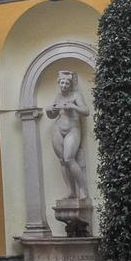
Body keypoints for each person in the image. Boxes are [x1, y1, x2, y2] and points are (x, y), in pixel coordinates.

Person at [46, 70, 90, 199]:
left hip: (73, 129)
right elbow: (52, 115)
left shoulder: (76, 95)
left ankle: (83, 188)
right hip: (58, 129)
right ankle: (70, 190)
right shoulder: (58, 96)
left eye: (66, 83)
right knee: (62, 161)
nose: (64, 85)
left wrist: (73, 106)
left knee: (69, 159)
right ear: (59, 83)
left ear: (70, 84)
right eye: (62, 83)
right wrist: (50, 110)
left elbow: (86, 111)